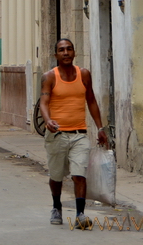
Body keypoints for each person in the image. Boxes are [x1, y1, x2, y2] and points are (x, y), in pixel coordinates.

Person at [39, 38, 108, 229]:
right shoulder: (49, 77)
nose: (66, 53)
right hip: (57, 134)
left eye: (69, 49)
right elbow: (43, 102)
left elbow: (91, 100)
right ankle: (56, 206)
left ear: (75, 52)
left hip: (79, 134)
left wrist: (100, 128)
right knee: (56, 175)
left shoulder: (83, 74)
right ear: (56, 55)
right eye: (61, 50)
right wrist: (48, 120)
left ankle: (80, 214)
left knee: (79, 174)